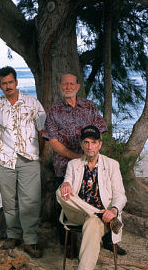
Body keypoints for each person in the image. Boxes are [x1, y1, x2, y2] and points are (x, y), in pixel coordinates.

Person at [57, 126, 127, 270]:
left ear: (99, 145)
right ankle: (97, 213)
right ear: (82, 145)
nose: (90, 146)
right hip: (77, 212)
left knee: (94, 223)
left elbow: (120, 195)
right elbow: (66, 183)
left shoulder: (111, 165)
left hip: (103, 217)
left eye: (93, 143)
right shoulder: (73, 164)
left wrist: (114, 210)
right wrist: (66, 184)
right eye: (86, 143)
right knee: (60, 191)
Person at [43, 73, 107, 249]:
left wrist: (90, 153)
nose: (68, 87)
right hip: (64, 166)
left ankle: (107, 239)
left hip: (92, 164)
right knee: (65, 204)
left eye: (72, 84)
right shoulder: (54, 111)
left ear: (78, 87)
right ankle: (68, 246)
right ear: (60, 87)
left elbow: (99, 132)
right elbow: (53, 142)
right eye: (65, 84)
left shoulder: (89, 107)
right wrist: (77, 158)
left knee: (97, 198)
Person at [0, 66, 46, 258]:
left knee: (31, 200)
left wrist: (41, 154)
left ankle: (31, 240)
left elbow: (42, 131)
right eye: (4, 83)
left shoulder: (33, 103)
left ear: (16, 82)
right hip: (4, 160)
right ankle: (13, 235)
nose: (7, 86)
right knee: (9, 201)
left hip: (29, 158)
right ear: (0, 85)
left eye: (10, 82)